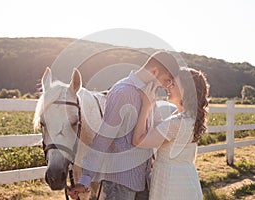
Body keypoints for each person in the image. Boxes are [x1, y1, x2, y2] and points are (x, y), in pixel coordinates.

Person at [68, 51, 180, 200]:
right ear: (154, 71)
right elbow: (103, 139)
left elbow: (156, 129)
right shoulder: (123, 92)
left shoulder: (150, 92)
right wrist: (85, 179)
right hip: (120, 186)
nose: (166, 86)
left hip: (144, 181)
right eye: (166, 80)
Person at [132, 67, 209, 199]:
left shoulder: (176, 123)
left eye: (173, 84)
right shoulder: (190, 117)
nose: (168, 87)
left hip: (171, 184)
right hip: (186, 178)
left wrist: (145, 106)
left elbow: (138, 140)